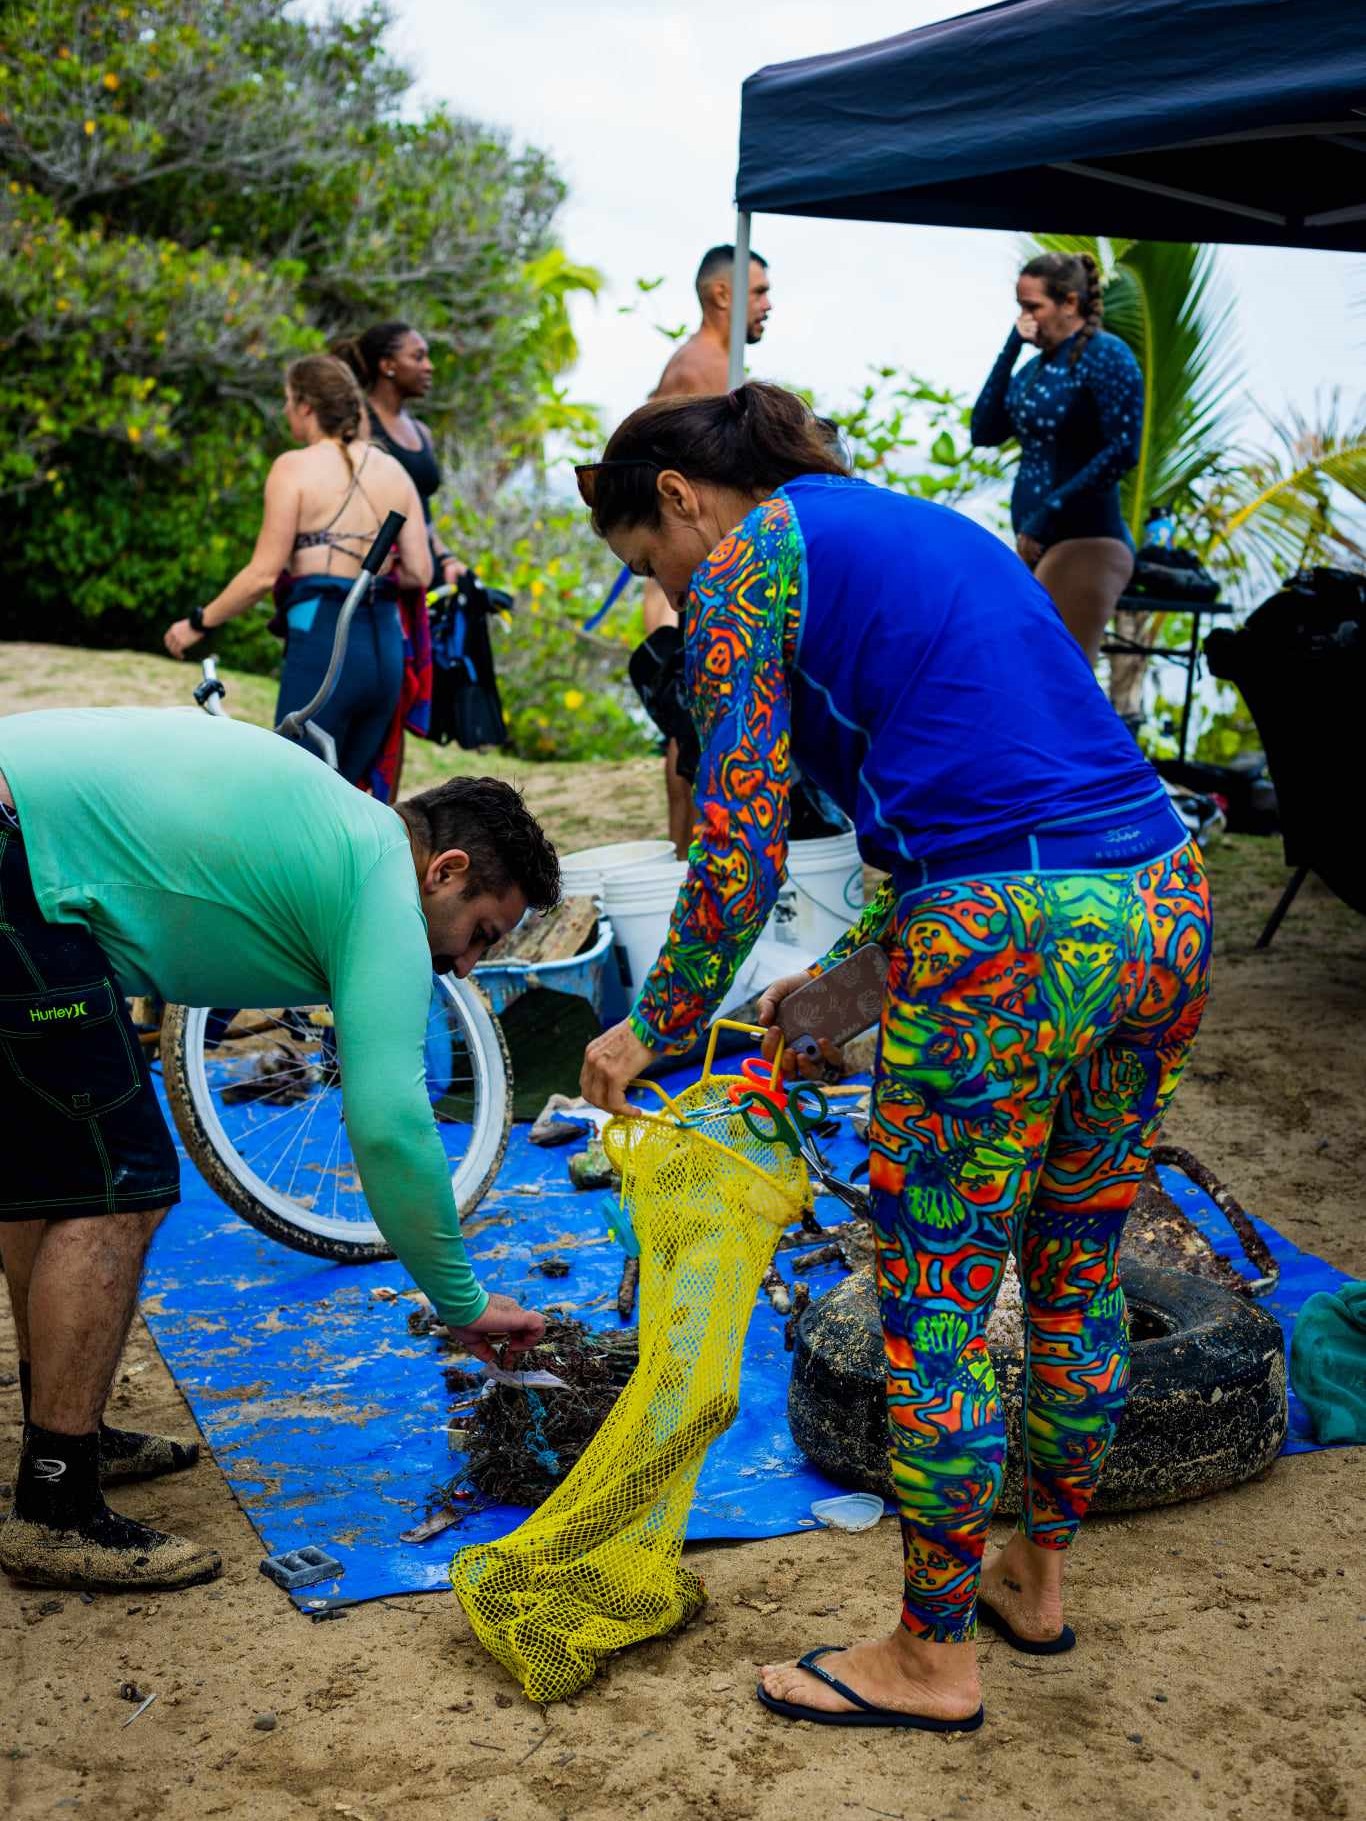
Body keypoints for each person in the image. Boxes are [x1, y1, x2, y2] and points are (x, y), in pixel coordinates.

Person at [575, 384, 1212, 1732]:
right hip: (1160, 903)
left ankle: (930, 1657)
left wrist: (653, 1026)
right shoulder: (923, 527)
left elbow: (736, 851)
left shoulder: (746, 567)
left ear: (681, 500)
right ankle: (1031, 1578)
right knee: (1075, 1267)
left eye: (649, 562)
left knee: (934, 1305)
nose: (669, 595)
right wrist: (851, 980)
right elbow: (981, 788)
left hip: (1006, 936)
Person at [0, 709, 559, 1591]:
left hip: (25, 845)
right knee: (120, 1187)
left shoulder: (347, 838)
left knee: (55, 1177)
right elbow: (390, 1123)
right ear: (445, 869)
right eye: (481, 932)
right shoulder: (381, 876)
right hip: (18, 859)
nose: (463, 966)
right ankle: (55, 1506)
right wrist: (461, 1299)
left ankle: (62, 1430)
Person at [163, 354, 433, 785]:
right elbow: (420, 572)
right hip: (385, 648)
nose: (286, 410)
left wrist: (199, 622)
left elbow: (262, 576)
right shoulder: (394, 470)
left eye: (288, 400)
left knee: (296, 788)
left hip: (326, 638)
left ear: (306, 405)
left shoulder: (293, 467)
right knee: (354, 798)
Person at [638, 245, 773, 856]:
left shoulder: (712, 362)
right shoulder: (704, 367)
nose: (770, 306)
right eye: (761, 292)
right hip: (680, 570)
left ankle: (686, 857)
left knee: (691, 720)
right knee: (687, 724)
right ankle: (685, 860)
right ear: (724, 294)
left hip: (691, 564)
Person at [970, 251, 1144, 667]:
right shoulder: (1035, 371)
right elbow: (984, 430)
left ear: (1070, 303)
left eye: (1034, 307)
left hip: (1086, 540)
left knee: (1053, 671)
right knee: (1020, 666)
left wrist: (1046, 517)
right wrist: (1012, 345)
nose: (1026, 318)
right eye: (1020, 308)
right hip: (1038, 543)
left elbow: (1123, 450)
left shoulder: (1107, 356)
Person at [333, 321, 468, 589]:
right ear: (387, 366)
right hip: (385, 578)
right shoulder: (362, 425)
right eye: (417, 357)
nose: (429, 366)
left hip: (427, 574)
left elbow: (422, 513)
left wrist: (446, 558)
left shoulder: (421, 431)